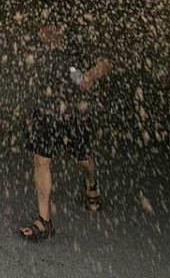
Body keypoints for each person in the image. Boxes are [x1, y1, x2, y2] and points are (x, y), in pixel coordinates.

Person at [19, 25, 112, 241]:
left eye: (50, 30)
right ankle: (44, 221)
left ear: (60, 28)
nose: (45, 34)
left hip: (73, 113)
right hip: (43, 110)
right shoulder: (35, 41)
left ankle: (91, 184)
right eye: (42, 30)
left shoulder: (78, 39)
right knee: (41, 160)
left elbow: (106, 62)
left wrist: (89, 75)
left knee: (83, 161)